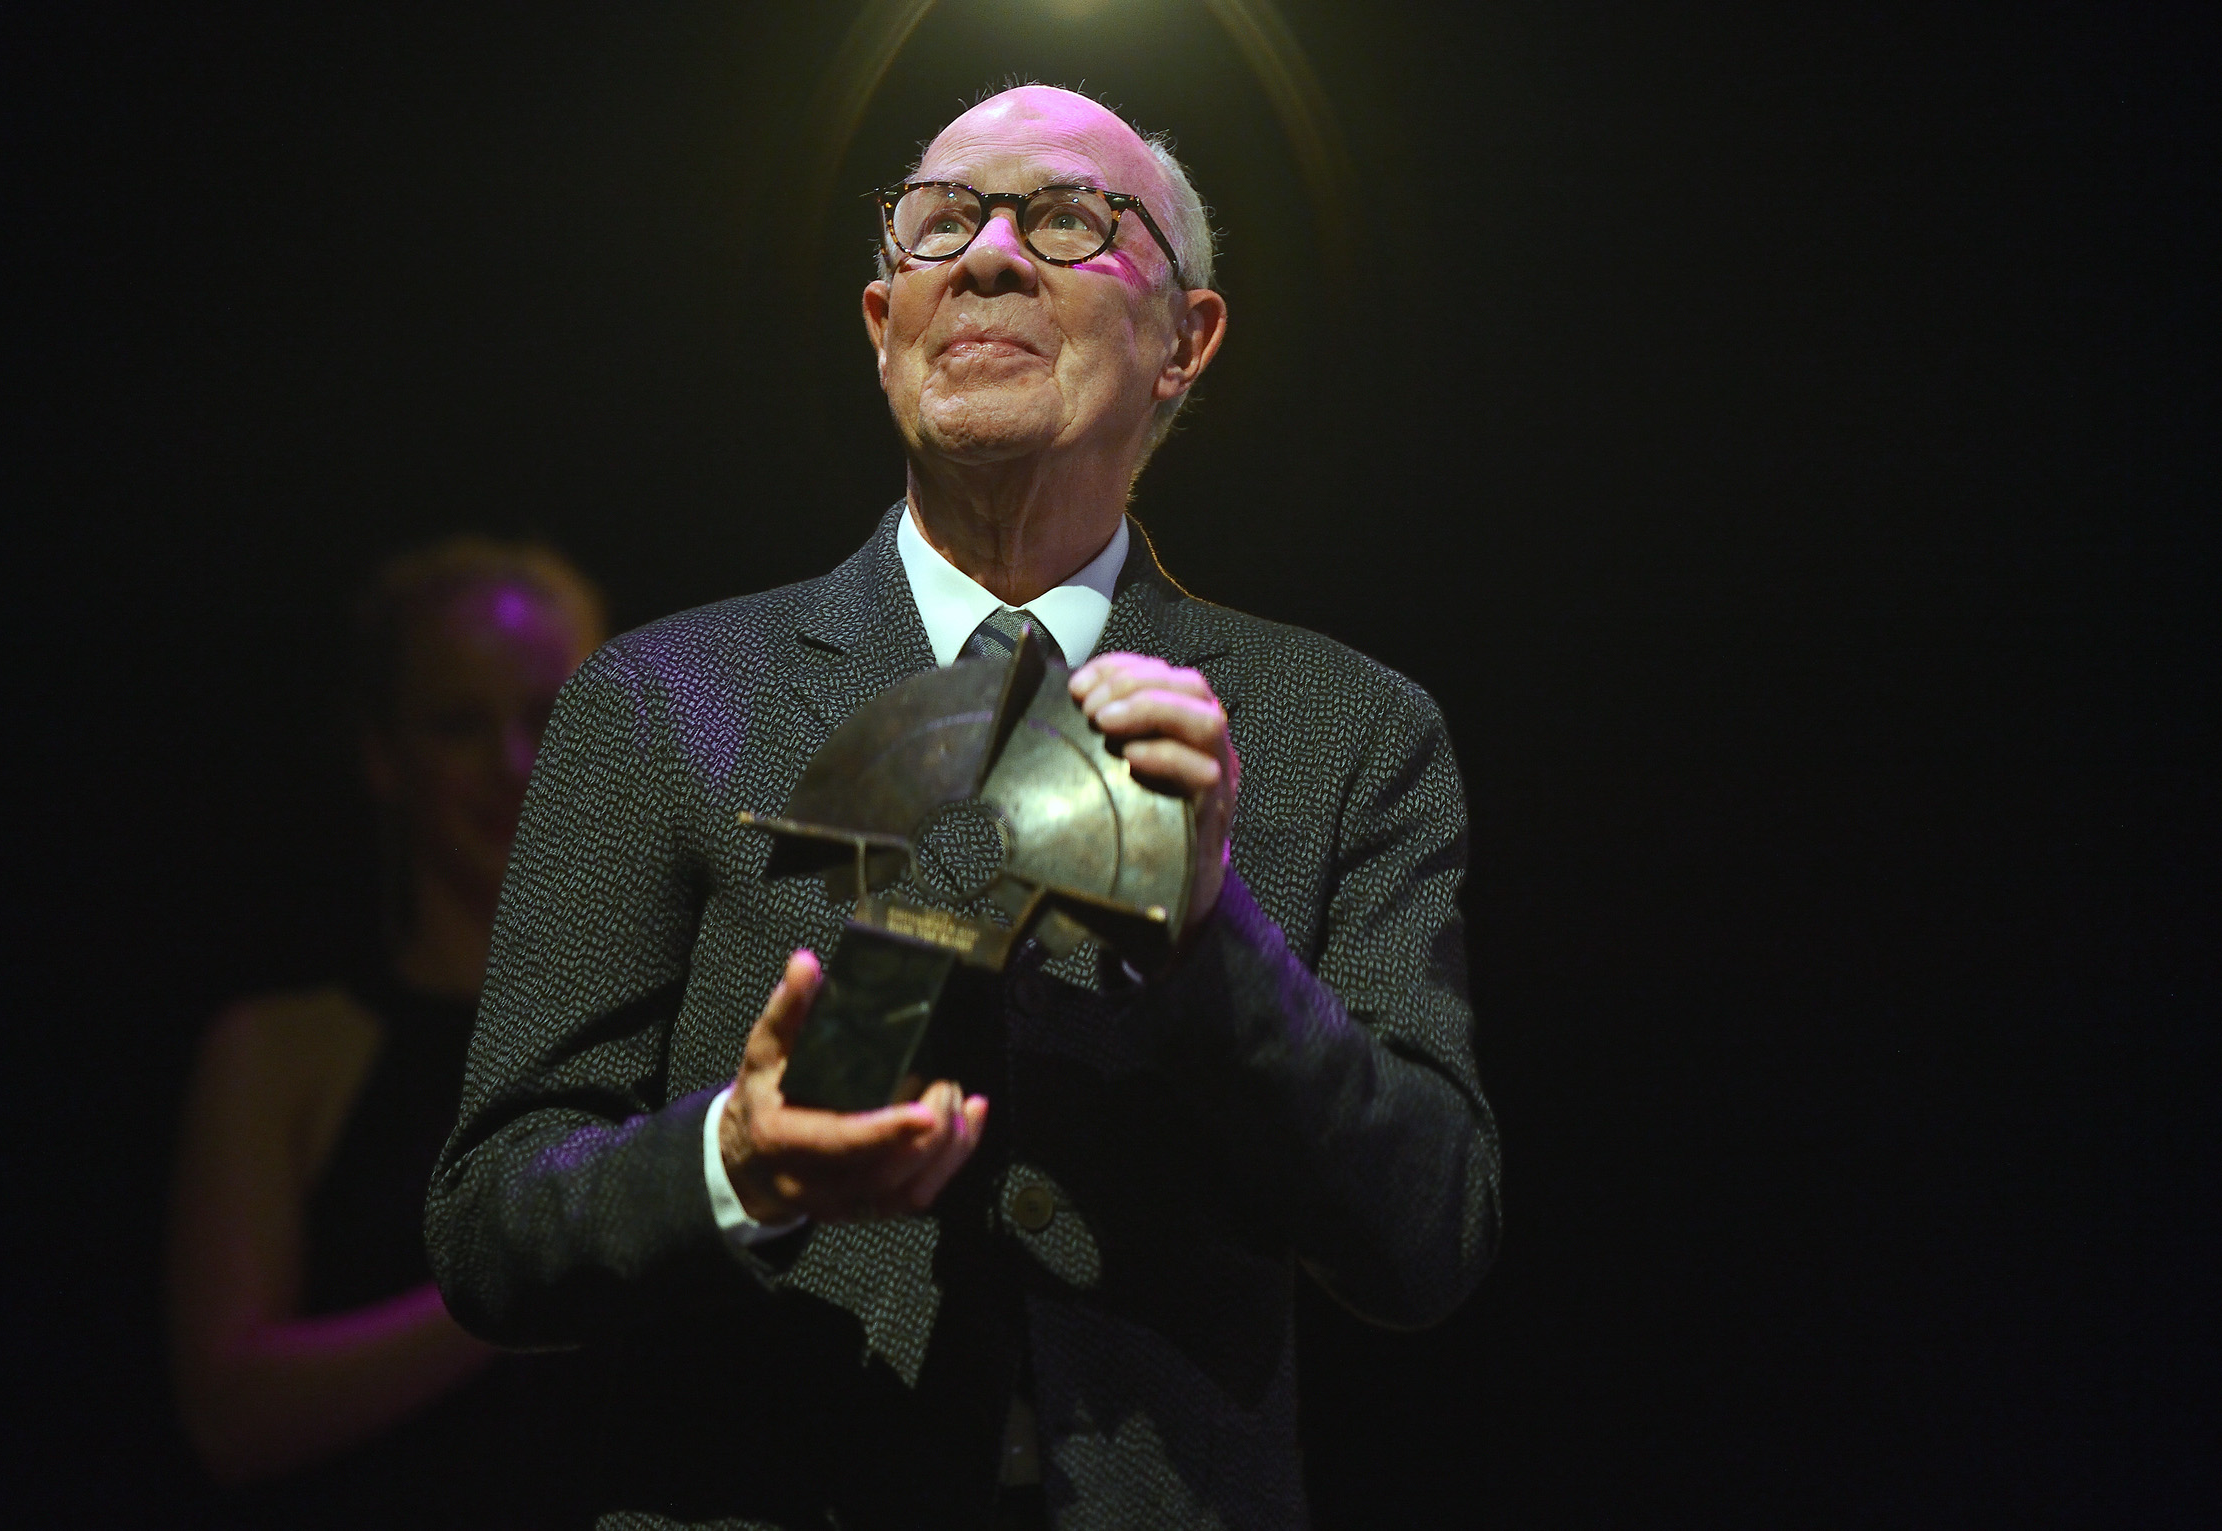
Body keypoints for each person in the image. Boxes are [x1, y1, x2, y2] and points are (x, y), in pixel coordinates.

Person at [427, 85, 1501, 1530]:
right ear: (885, 323)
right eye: (942, 222)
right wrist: (730, 1162)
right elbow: (491, 1226)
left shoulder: (1348, 729)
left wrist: (1209, 930)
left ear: (1186, 340)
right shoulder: (660, 699)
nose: (987, 257)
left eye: (1067, 219)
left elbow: (1427, 1235)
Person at [166, 538, 607, 1528]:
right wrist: (510, 1289)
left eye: (545, 716)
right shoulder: (280, 1054)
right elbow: (228, 1415)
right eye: (459, 724)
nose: (511, 762)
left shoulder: (685, 1023)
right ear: (382, 758)